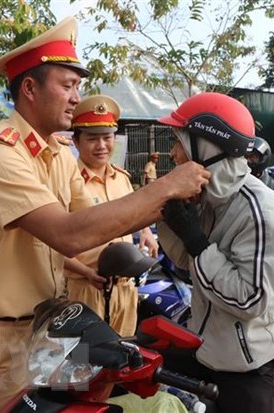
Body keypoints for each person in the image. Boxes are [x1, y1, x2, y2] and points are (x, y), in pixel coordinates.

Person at [0, 16, 209, 412]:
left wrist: (167, 212)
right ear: (30, 88)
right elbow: (68, 234)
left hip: (49, 329)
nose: (76, 97)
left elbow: (99, 224)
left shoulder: (58, 155)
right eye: (67, 85)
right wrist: (166, 185)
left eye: (78, 87)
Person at [156, 92, 274, 413]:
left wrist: (196, 241)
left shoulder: (260, 211)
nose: (173, 153)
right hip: (209, 349)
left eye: (179, 141)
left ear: (207, 147)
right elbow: (184, 261)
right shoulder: (211, 197)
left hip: (251, 363)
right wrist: (171, 217)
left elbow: (249, 300)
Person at [64, 94, 158, 337]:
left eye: (107, 138)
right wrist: (85, 272)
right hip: (87, 288)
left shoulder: (122, 178)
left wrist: (146, 231)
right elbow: (49, 243)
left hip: (126, 288)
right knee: (84, 361)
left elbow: (133, 214)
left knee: (123, 354)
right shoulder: (66, 182)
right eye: (92, 139)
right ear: (76, 141)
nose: (102, 146)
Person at [245, 136, 274, 201]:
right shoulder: (239, 179)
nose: (248, 160)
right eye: (246, 156)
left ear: (263, 158)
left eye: (252, 157)